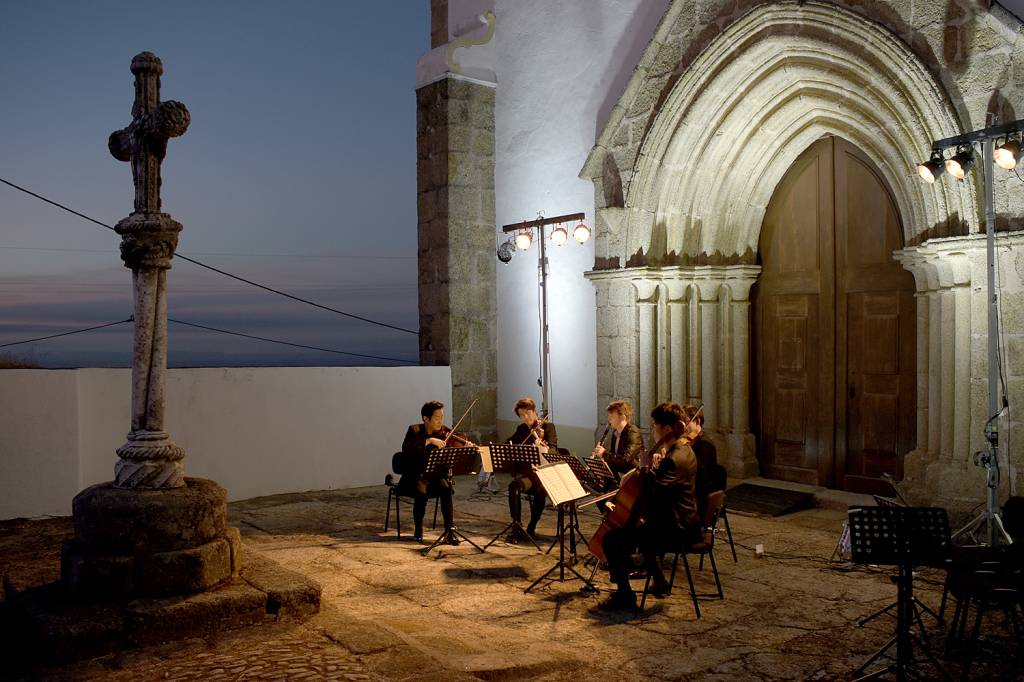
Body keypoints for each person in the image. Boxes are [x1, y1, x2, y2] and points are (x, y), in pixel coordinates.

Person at [599, 402, 701, 610]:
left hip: (676, 528)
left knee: (611, 540)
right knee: (640, 531)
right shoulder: (684, 451)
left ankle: (625, 595)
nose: (653, 430)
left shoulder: (673, 458)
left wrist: (645, 468)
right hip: (684, 520)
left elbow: (654, 494)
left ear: (667, 429)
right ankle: (660, 582)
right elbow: (664, 488)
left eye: (655, 426)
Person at [397, 400, 457, 543]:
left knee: (446, 488)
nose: (440, 421)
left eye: (442, 417)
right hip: (414, 476)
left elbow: (453, 448)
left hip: (434, 476)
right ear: (426, 418)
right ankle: (418, 529)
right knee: (421, 493)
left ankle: (449, 530)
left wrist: (466, 445)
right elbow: (407, 448)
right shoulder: (414, 430)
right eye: (437, 418)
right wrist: (429, 440)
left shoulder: (444, 432)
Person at [505, 397, 557, 541]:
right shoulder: (521, 429)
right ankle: (517, 526)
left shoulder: (548, 427)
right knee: (513, 486)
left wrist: (544, 448)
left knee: (541, 491)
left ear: (535, 412)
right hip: (529, 474)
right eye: (521, 415)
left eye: (528, 413)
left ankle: (531, 527)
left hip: (544, 473)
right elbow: (508, 443)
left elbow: (554, 449)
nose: (525, 417)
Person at [591, 400, 644, 488]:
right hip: (619, 474)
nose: (609, 419)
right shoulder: (615, 433)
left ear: (622, 417)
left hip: (633, 477)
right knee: (599, 489)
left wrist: (604, 454)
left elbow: (626, 460)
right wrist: (603, 460)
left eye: (612, 416)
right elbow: (614, 457)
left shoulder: (633, 432)